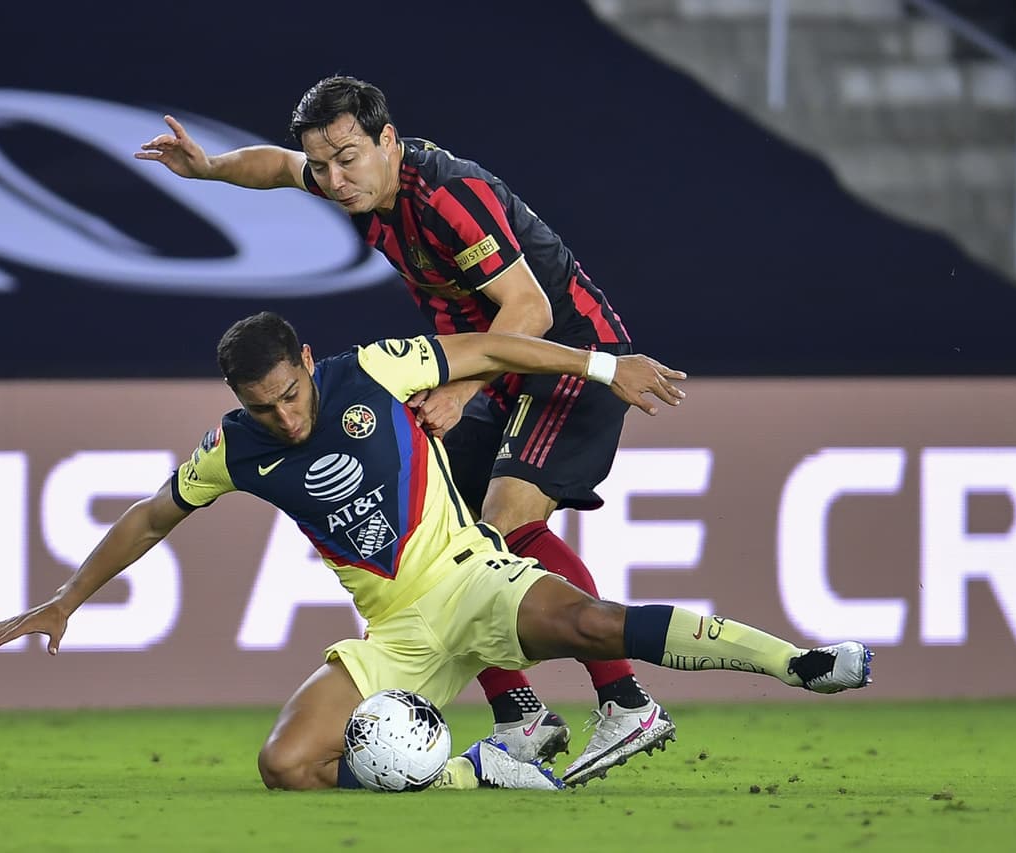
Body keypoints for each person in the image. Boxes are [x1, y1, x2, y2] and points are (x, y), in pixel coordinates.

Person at [0, 313, 873, 792]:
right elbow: (149, 516)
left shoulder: (372, 369)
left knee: (594, 623)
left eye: (291, 394)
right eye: (266, 408)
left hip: (469, 579)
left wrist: (604, 367)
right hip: (395, 633)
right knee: (286, 766)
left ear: (306, 359)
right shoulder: (234, 448)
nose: (287, 418)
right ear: (238, 402)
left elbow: (486, 345)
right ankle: (478, 772)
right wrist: (67, 598)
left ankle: (803, 661)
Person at [135, 75, 676, 782]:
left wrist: (461, 390)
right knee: (440, 536)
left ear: (389, 141)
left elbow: (529, 309)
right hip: (496, 371)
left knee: (502, 523)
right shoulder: (351, 182)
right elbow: (274, 165)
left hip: (568, 362)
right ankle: (522, 716)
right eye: (323, 167)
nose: (334, 178)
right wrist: (209, 169)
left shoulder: (448, 196)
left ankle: (626, 702)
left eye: (348, 158)